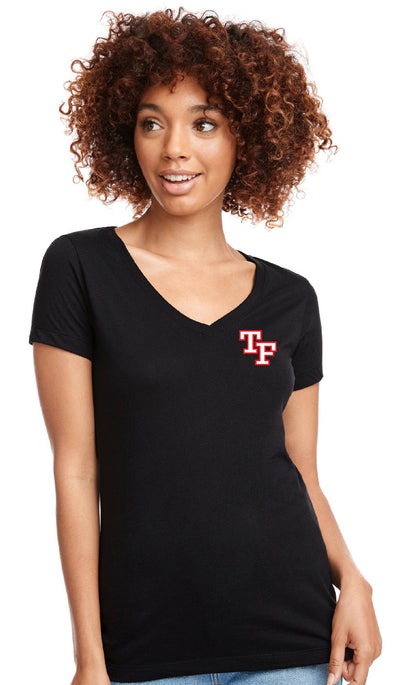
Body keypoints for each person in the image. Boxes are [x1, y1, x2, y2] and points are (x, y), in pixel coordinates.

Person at [28, 7, 382, 685]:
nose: (174, 149)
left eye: (205, 122)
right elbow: (75, 469)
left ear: (247, 134)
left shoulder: (290, 300)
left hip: (291, 642)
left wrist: (355, 582)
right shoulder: (81, 269)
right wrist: (89, 658)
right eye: (151, 122)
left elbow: (302, 471)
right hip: (145, 654)